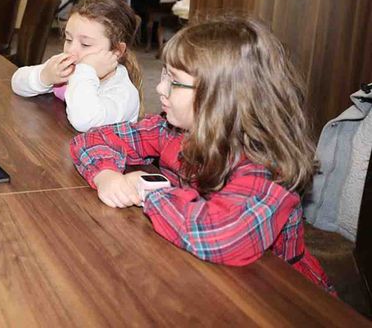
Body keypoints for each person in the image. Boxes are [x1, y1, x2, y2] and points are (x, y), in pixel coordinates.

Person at [68, 15, 334, 293]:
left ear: (221, 98)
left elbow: (218, 236)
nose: (159, 88)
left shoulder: (267, 168)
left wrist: (146, 191)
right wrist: (106, 175)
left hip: (281, 293)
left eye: (174, 81)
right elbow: (92, 139)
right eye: (163, 75)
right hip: (203, 273)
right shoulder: (171, 129)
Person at [11, 0, 142, 132]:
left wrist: (85, 71)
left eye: (85, 44)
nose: (71, 50)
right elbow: (17, 81)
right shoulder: (72, 67)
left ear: (117, 51)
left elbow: (84, 120)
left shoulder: (123, 94)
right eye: (68, 39)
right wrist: (45, 77)